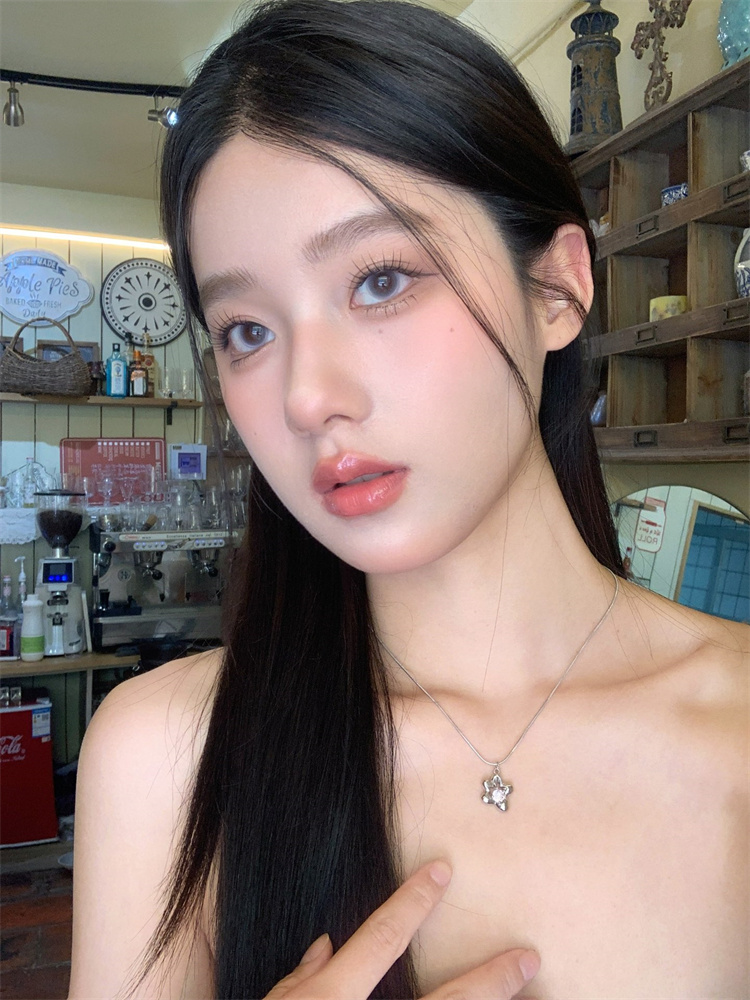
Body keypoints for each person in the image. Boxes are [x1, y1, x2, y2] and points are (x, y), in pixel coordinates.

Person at [67, 1, 749, 997]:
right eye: (247, 331)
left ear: (557, 288)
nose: (307, 398)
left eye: (381, 279)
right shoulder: (166, 758)